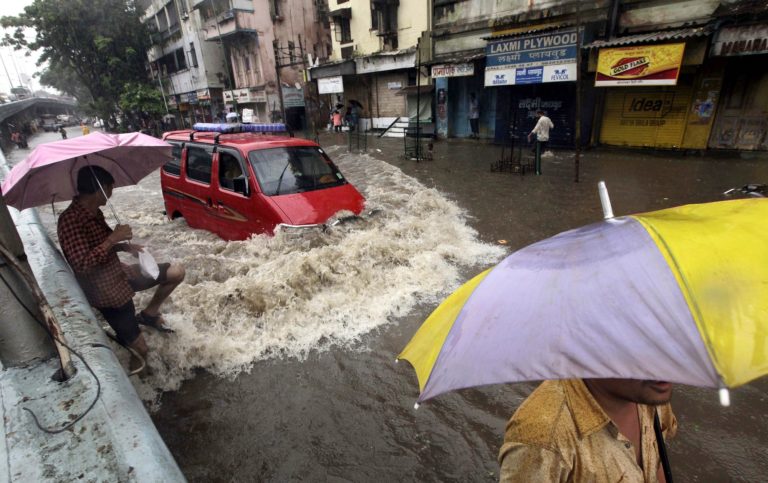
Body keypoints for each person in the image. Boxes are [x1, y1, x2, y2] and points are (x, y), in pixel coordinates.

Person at [57, 166, 186, 373]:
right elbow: (82, 265)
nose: (111, 194)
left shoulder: (95, 213)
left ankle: (148, 314)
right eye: (110, 188)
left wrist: (125, 246)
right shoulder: (70, 221)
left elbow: (103, 246)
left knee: (176, 271)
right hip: (108, 296)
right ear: (100, 188)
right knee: (141, 349)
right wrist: (112, 239)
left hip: (121, 275)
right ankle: (136, 382)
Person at [498, 378, 677, 482]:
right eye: (643, 346)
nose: (666, 365)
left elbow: (656, 461)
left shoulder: (651, 394)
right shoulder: (543, 440)